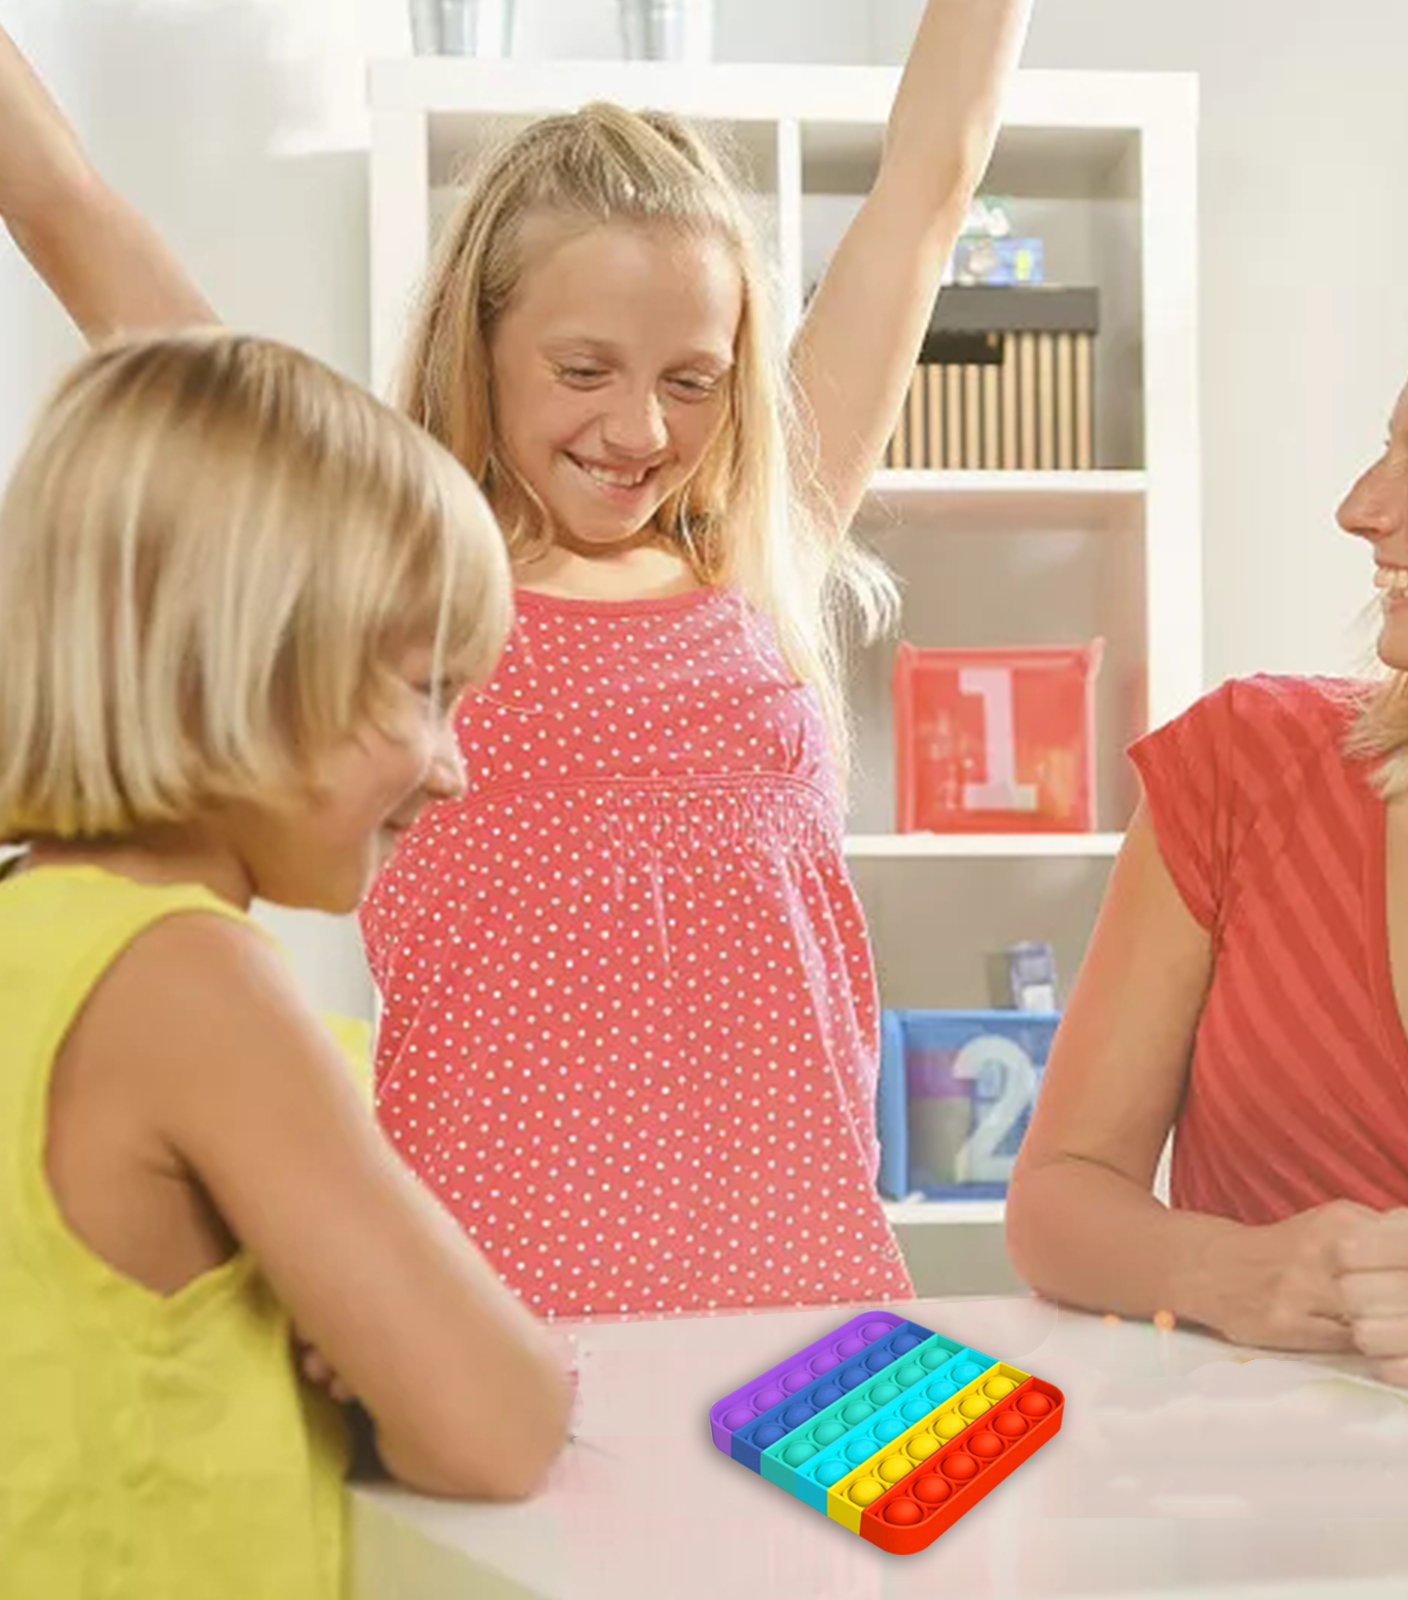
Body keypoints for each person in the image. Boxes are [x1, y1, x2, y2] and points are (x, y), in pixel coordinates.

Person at [0, 1, 1037, 1318]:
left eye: (693, 379)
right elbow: (71, 213)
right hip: (500, 1324)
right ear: (479, 341)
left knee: (1033, 1454)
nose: (640, 428)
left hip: (813, 1311)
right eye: (584, 369)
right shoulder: (393, 576)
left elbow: (932, 182)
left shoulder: (759, 551)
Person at [0, 329, 574, 1598]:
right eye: (423, 692)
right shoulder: (190, 979)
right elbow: (499, 1423)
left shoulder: (34, 936)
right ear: (238, 661)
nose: (451, 767)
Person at [1009, 269, 1408, 1391]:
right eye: (1389, 451)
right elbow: (1058, 1199)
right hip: (1232, 1492)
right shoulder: (1243, 767)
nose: (1361, 507)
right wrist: (1229, 1273)